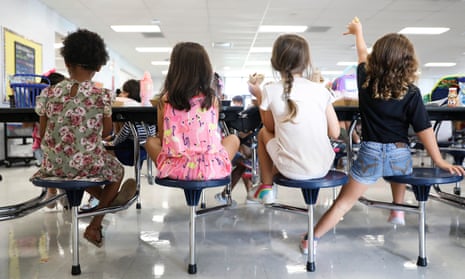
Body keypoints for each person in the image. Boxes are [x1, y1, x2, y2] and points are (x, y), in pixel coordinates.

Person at [307, 17, 465, 254]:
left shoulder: (365, 82)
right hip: (399, 154)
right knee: (400, 171)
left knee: (344, 203)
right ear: (408, 63)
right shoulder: (412, 92)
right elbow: (424, 130)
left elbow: (361, 54)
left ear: (376, 59)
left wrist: (358, 32)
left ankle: (311, 240)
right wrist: (440, 160)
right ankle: (398, 208)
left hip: (370, 152)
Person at [31, 29, 137, 248]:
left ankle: (103, 203)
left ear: (67, 61)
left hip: (51, 166)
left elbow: (43, 133)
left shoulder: (48, 94)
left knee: (74, 168)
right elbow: (106, 132)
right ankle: (95, 223)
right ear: (99, 67)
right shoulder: (102, 95)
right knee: (116, 171)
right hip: (86, 165)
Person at [246, 34, 340, 204]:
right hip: (323, 167)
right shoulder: (320, 90)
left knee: (262, 133)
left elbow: (269, 127)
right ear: (306, 62)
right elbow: (335, 132)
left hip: (290, 169)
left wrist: (259, 94)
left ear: (275, 62)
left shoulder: (271, 90)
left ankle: (266, 187)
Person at [145, 42, 239, 181]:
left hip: (175, 169)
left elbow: (164, 139)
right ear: (206, 70)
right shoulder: (212, 99)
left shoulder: (166, 100)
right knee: (233, 139)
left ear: (174, 69)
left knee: (150, 142)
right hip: (210, 169)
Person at [35, 71, 66, 209]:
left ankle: (53, 191)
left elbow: (41, 134)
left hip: (44, 148)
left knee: (50, 162)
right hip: (54, 148)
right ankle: (55, 191)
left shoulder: (41, 102)